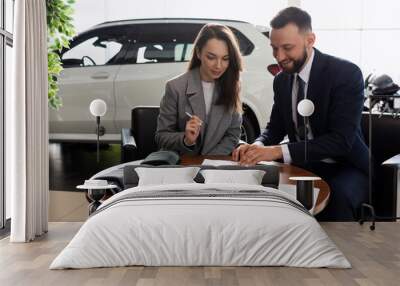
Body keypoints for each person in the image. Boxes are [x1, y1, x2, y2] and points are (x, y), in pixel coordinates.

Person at [232, 7, 369, 221]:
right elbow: (274, 128)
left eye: (287, 48)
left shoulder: (346, 74)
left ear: (310, 40)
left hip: (346, 167)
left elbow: (341, 141)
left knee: (337, 199)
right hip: (303, 167)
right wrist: (258, 146)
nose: (279, 57)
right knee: (265, 196)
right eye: (274, 48)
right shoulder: (282, 80)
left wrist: (276, 151)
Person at [155, 23, 243, 155]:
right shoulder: (175, 87)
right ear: (198, 53)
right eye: (211, 57)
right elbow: (161, 136)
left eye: (225, 59)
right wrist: (186, 140)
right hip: (181, 165)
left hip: (215, 166)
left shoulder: (232, 85)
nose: (218, 66)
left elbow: (233, 134)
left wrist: (209, 161)